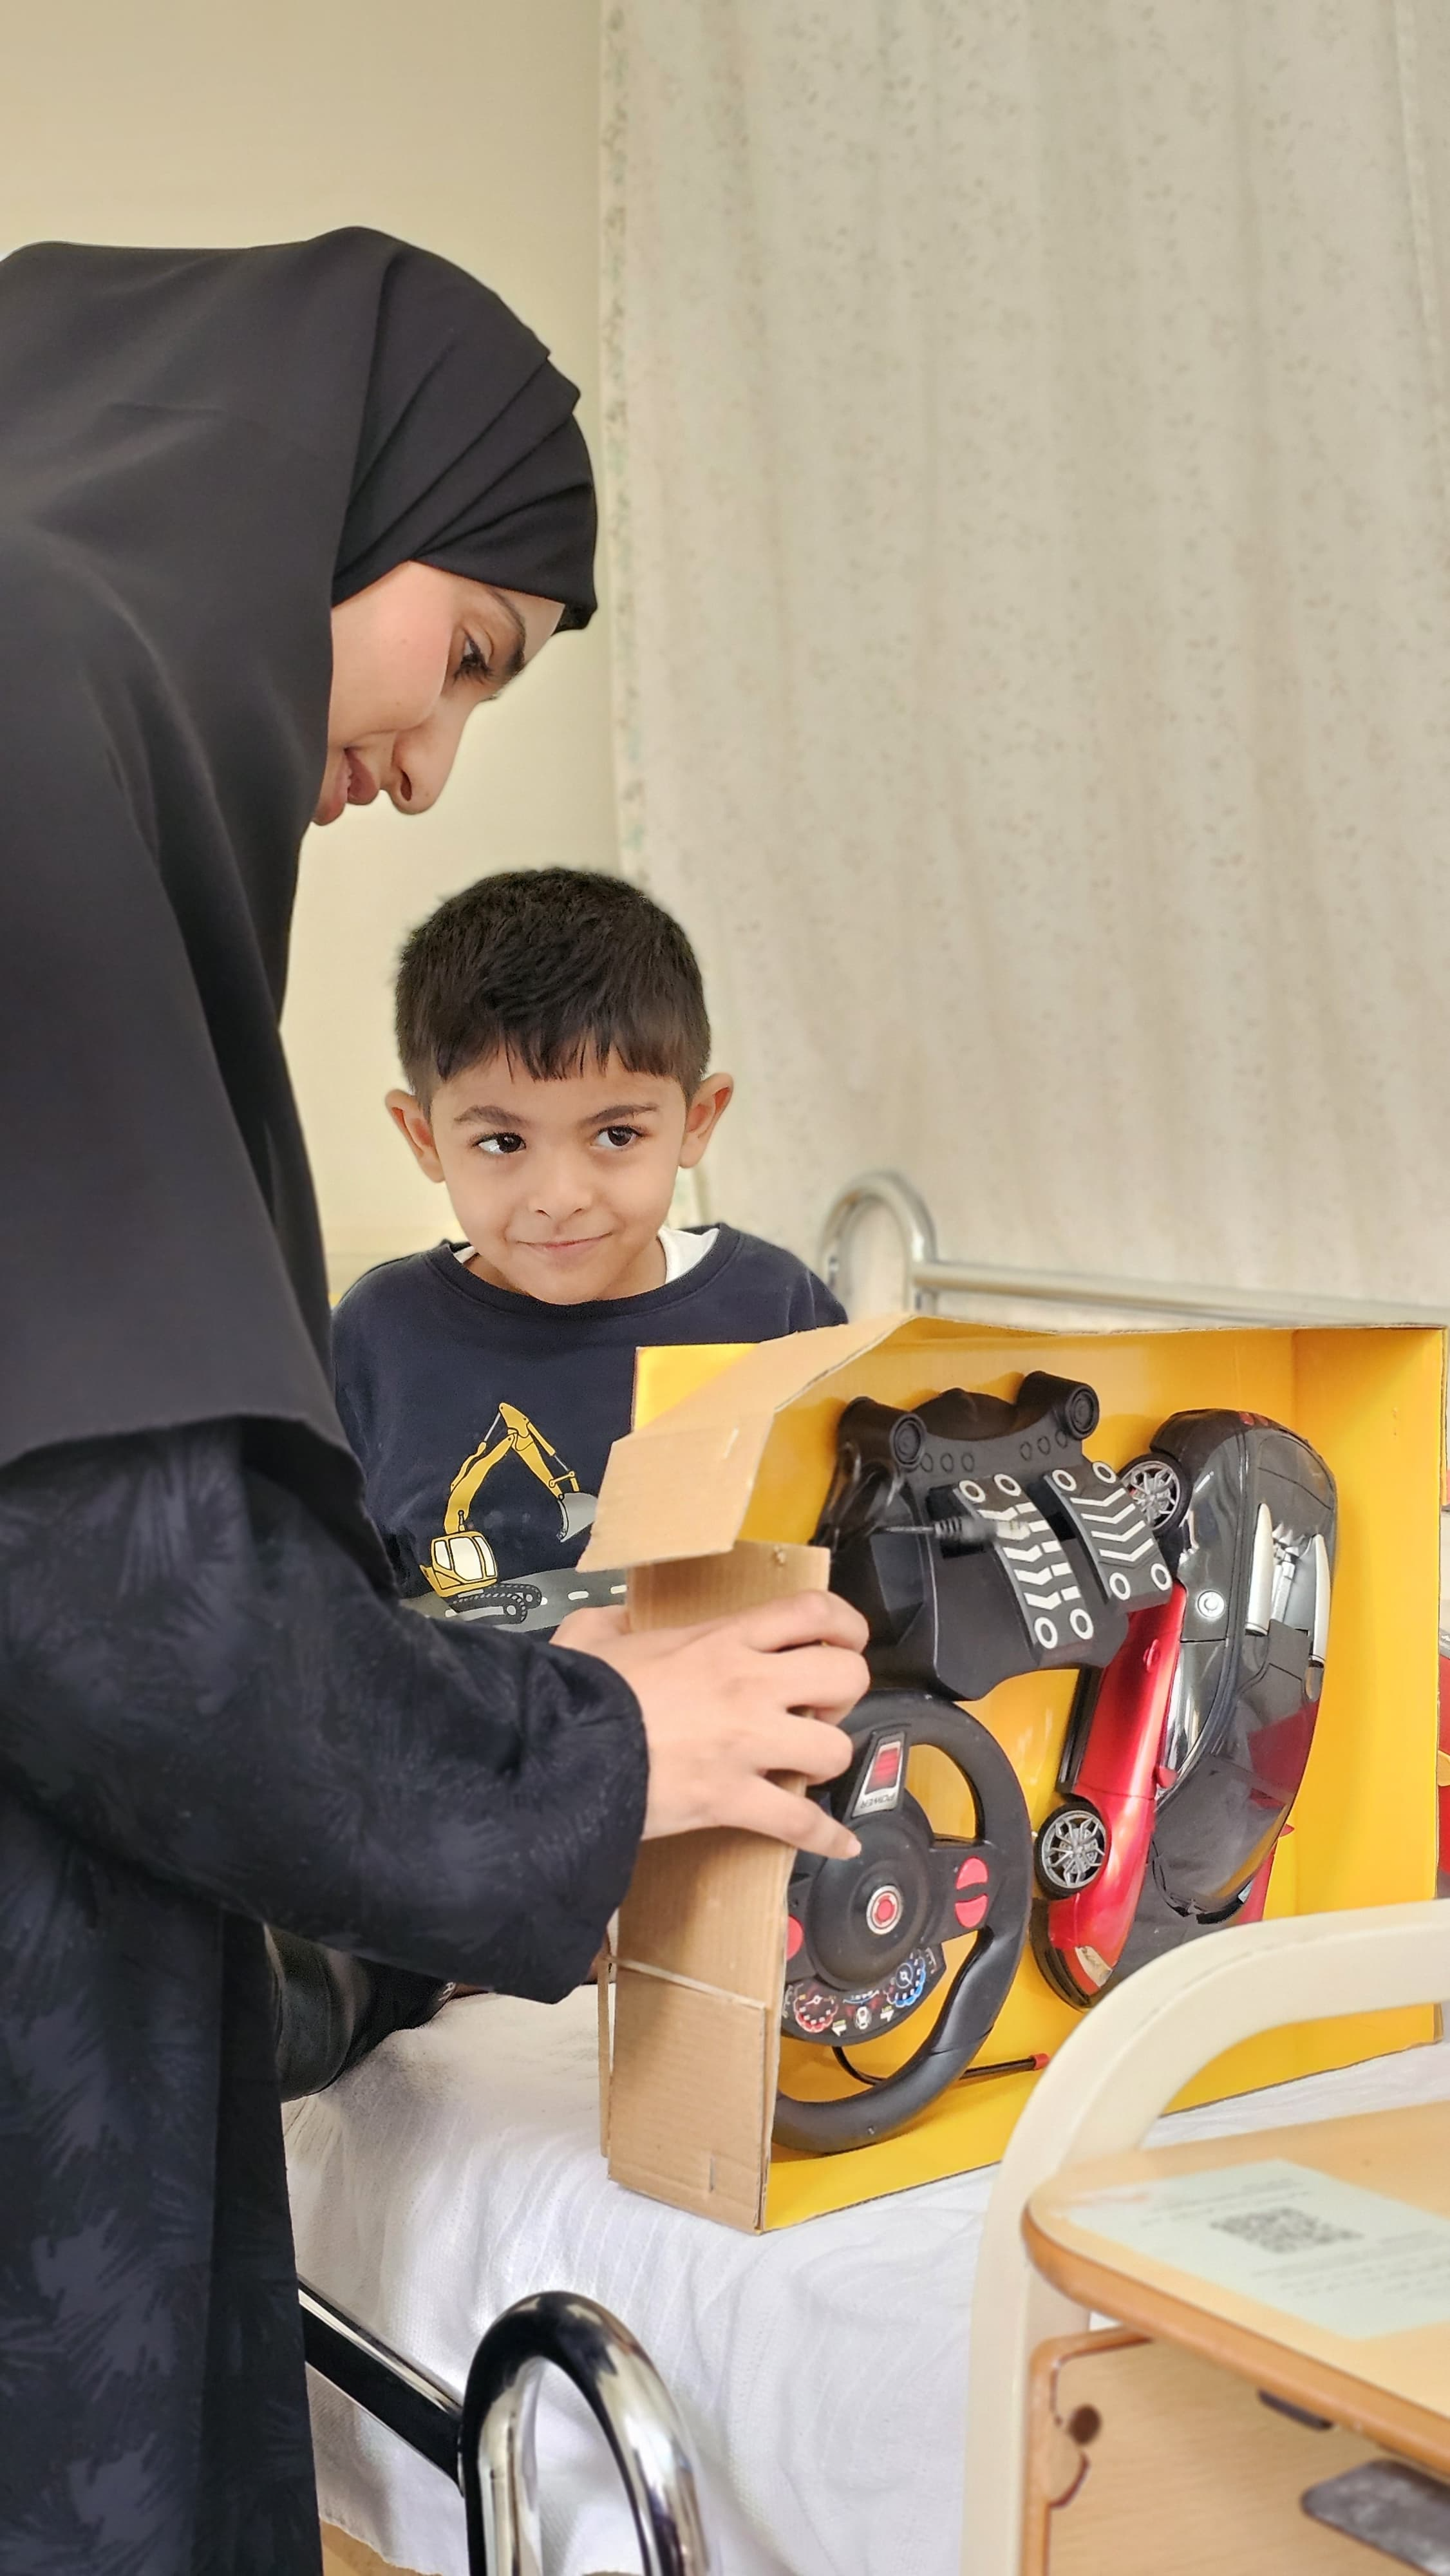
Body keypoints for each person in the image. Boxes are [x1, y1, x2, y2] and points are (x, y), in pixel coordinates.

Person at [0, 229, 867, 2576]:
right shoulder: (32, 681)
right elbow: (121, 1590)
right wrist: (595, 1745)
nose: (422, 762)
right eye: (465, 651)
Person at [333, 866, 847, 1616]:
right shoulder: (381, 1332)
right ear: (424, 1137)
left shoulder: (775, 1308)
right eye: (502, 1141)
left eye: (616, 1134)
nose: (559, 1198)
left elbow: (846, 1560)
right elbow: (322, 1603)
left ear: (697, 1120)